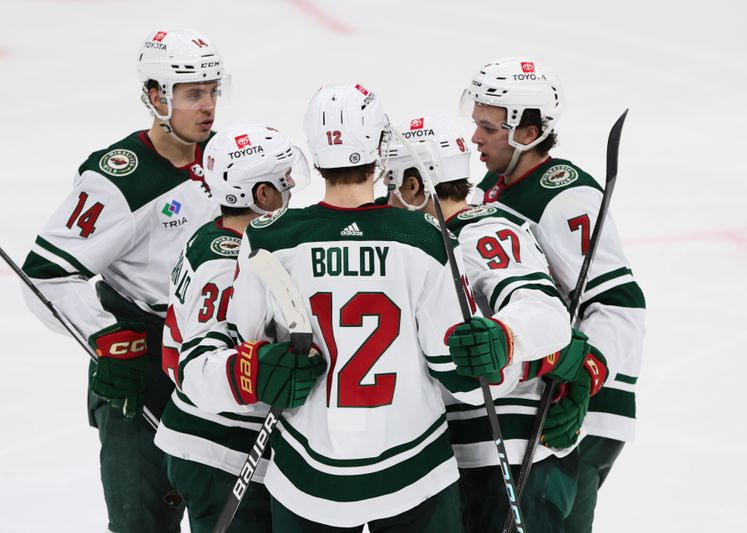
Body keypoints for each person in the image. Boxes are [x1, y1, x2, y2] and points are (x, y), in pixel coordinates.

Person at [225, 83, 517, 532]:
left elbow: (237, 344)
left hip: (307, 476)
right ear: (381, 150)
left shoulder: (269, 238)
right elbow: (459, 372)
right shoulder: (425, 237)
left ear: (315, 152)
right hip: (415, 470)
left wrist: (258, 366)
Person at [20, 28, 229, 532]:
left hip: (213, 360)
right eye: (193, 94)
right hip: (139, 368)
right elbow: (45, 277)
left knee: (229, 516)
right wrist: (103, 334)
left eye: (213, 91)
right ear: (157, 97)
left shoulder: (227, 162)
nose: (209, 107)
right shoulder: (119, 179)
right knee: (142, 523)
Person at [384, 115, 609, 532]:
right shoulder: (421, 247)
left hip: (513, 456)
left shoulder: (479, 231)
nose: (385, 201)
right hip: (460, 460)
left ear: (413, 187)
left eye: (390, 186)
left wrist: (506, 338)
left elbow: (540, 309)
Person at [461, 56, 647, 532]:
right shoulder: (491, 188)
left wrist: (585, 376)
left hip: (580, 416)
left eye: (488, 126)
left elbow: (619, 306)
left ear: (527, 132)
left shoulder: (565, 196)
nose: (475, 137)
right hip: (534, 408)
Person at [154, 125, 310, 532]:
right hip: (217, 449)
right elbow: (202, 359)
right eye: (283, 178)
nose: (292, 184)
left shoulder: (218, 234)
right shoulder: (227, 263)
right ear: (260, 195)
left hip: (209, 442)